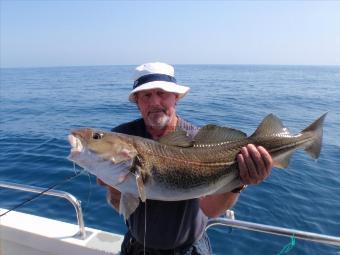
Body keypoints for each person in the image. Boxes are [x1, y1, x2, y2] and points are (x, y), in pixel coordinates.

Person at [97, 62, 273, 255]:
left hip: (188, 250)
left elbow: (210, 209)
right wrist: (113, 184)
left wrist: (238, 182)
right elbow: (117, 202)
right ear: (137, 102)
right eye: (146, 95)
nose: (155, 102)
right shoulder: (121, 136)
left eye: (162, 93)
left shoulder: (200, 143)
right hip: (135, 246)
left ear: (176, 98)